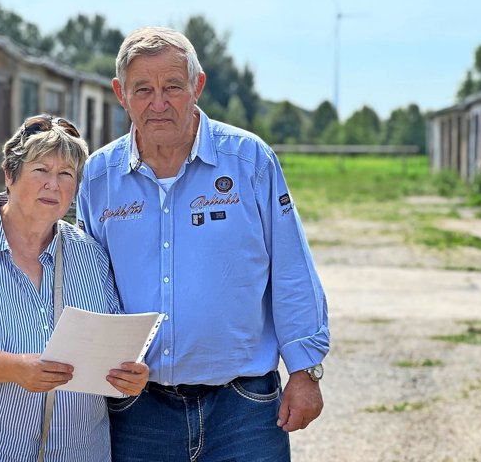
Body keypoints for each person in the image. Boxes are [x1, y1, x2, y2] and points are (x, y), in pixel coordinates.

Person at [76, 27, 329, 462]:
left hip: (243, 409)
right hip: (138, 411)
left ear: (198, 86)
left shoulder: (250, 161)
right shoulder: (98, 178)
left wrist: (305, 371)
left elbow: (290, 269)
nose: (158, 103)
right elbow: (88, 288)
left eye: (173, 87)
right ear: (121, 94)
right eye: (143, 89)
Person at [0, 115, 149, 462]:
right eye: (40, 170)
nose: (53, 184)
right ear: (10, 175)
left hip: (77, 452)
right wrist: (15, 368)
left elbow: (115, 339)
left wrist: (130, 374)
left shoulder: (90, 254)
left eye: (66, 174)